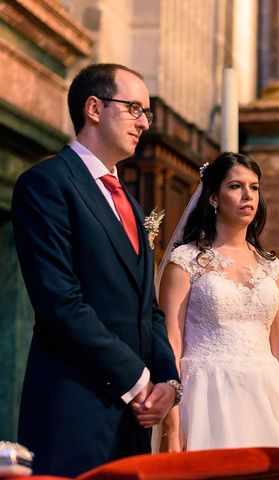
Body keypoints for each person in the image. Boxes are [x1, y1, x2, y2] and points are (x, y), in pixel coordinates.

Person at [11, 63, 180, 477]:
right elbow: (60, 305)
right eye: (134, 108)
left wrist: (168, 383)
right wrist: (139, 382)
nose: (144, 123)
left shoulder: (132, 203)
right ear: (93, 107)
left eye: (147, 114)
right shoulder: (47, 183)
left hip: (134, 416)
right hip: (76, 405)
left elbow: (149, 309)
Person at [156, 152, 279, 454]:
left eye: (254, 187)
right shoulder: (186, 261)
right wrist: (173, 427)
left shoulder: (272, 266)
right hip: (206, 395)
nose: (248, 196)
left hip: (266, 392)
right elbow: (171, 343)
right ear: (214, 198)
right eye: (236, 186)